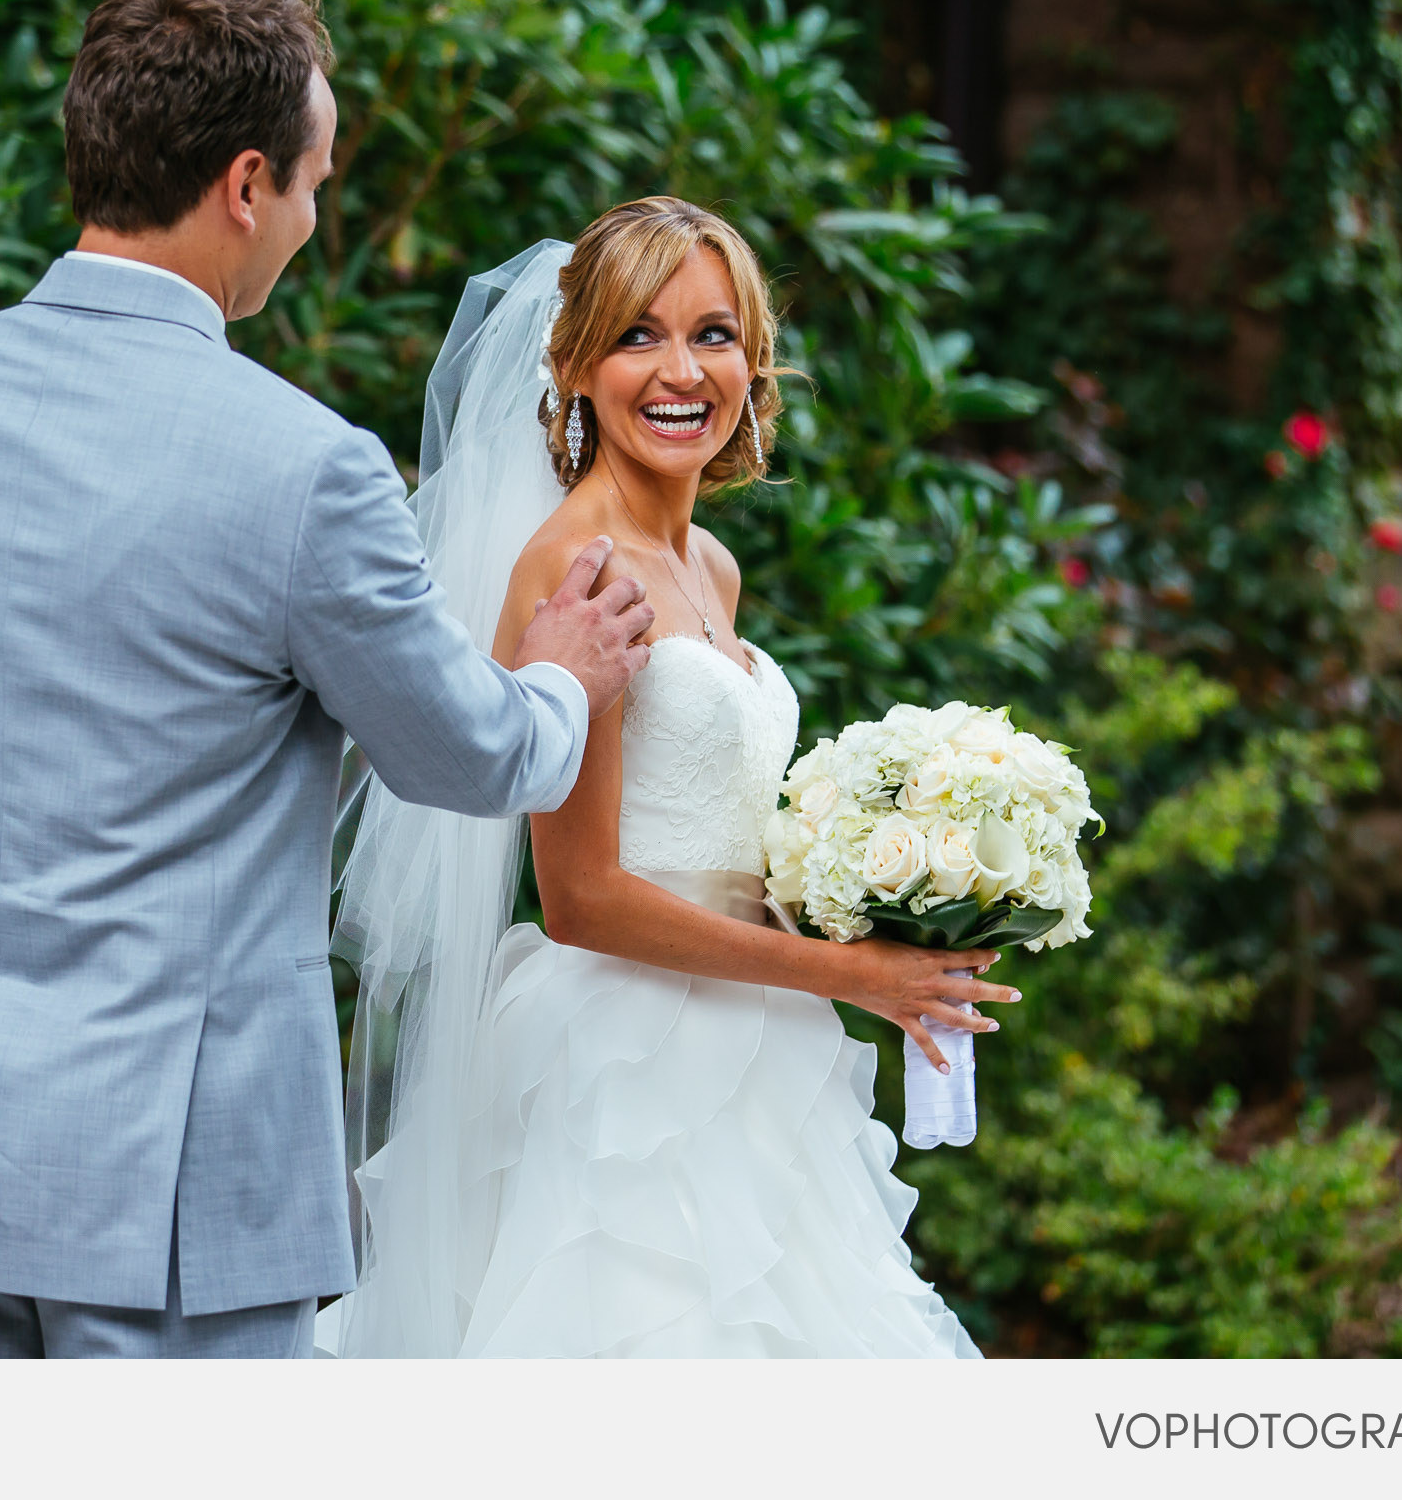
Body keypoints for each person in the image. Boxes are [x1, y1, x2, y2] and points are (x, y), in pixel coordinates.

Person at [0, 0, 653, 1359]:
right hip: (180, 1202)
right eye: (314, 184)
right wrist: (561, 670)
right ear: (246, 183)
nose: (311, 222)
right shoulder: (302, 468)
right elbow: (467, 756)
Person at [318, 198, 1012, 1356]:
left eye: (715, 333)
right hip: (623, 1068)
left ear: (754, 358)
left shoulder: (712, 564)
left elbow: (712, 830)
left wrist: (890, 908)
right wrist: (842, 971)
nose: (681, 369)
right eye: (638, 335)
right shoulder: (573, 566)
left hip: (755, 1042)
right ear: (576, 364)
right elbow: (581, 896)